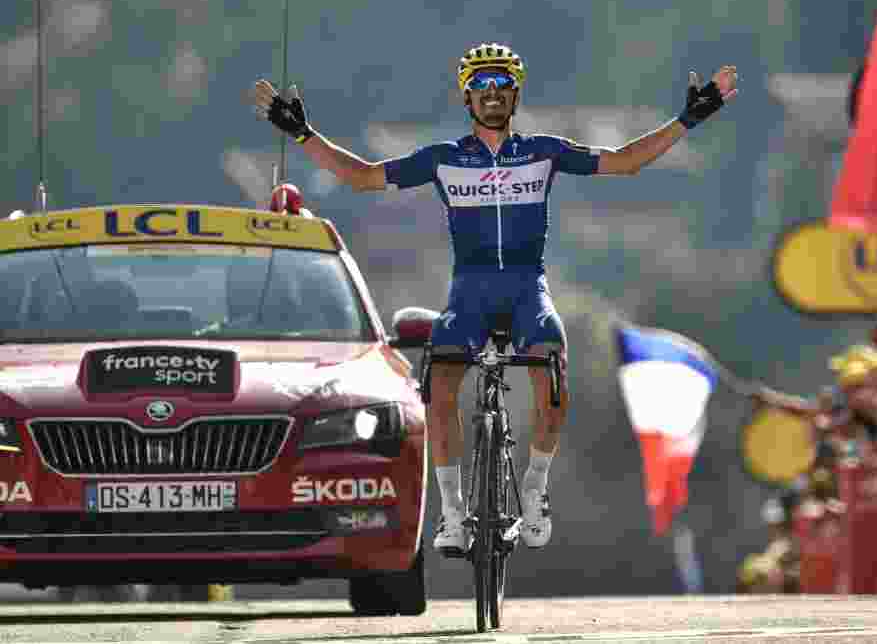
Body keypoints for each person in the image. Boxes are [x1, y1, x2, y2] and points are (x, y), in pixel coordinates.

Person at [251, 43, 738, 552]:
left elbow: (625, 162)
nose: (492, 93)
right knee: (439, 383)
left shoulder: (544, 152)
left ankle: (533, 489)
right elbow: (363, 176)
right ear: (467, 96)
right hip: (470, 292)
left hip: (528, 287)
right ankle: (454, 514)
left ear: (515, 94)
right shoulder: (443, 159)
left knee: (551, 362)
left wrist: (689, 118)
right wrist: (303, 135)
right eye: (481, 84)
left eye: (502, 84)